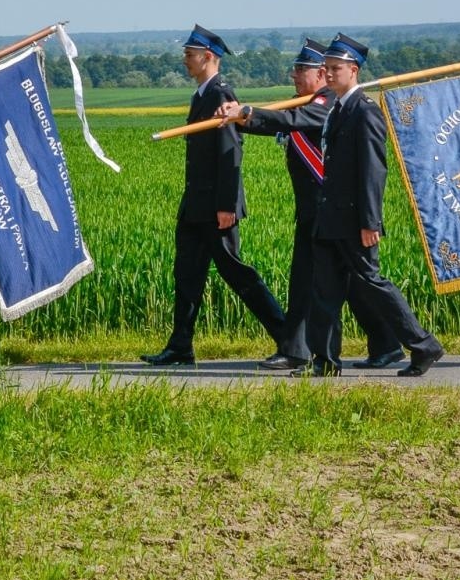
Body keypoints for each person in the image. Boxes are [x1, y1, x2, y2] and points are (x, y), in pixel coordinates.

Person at [218, 39, 403, 370]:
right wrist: (240, 117)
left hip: (331, 209)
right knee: (339, 283)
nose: (294, 76)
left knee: (326, 281)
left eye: (301, 70)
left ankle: (301, 350)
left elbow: (291, 121)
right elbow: (276, 121)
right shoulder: (308, 102)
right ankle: (383, 344)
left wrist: (245, 112)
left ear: (322, 74)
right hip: (313, 209)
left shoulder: (330, 103)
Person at [142, 25, 288, 367]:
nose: (185, 62)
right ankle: (181, 346)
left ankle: (288, 338)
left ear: (209, 57)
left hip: (215, 208)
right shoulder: (201, 95)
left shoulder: (221, 95)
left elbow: (229, 152)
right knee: (187, 275)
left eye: (190, 56)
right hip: (195, 205)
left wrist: (227, 205)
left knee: (237, 274)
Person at [302, 33, 444, 377]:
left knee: (372, 284)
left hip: (353, 220)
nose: (329, 73)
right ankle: (324, 360)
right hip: (330, 218)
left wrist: (370, 221)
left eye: (336, 68)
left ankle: (423, 345)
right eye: (327, 68)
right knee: (324, 290)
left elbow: (373, 171)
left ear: (354, 71)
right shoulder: (338, 109)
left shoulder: (364, 112)